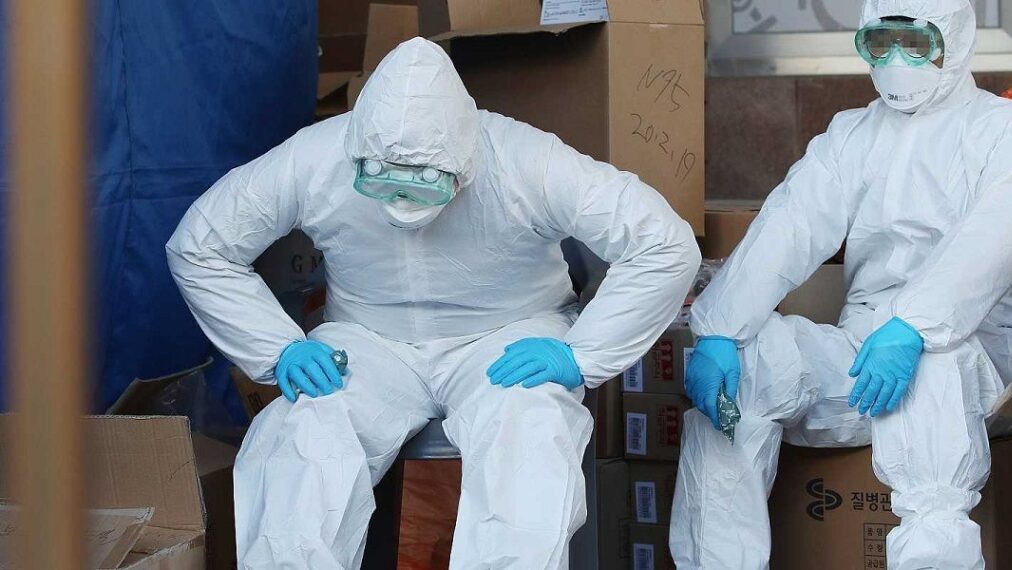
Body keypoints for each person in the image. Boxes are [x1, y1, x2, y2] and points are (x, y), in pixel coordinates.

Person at [167, 37, 699, 570]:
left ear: (464, 158)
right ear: (358, 152)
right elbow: (201, 245)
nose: (402, 199)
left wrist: (581, 353)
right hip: (367, 341)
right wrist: (277, 347)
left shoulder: (525, 159)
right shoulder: (316, 156)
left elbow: (663, 244)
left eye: (423, 182)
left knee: (528, 435)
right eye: (384, 180)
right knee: (304, 437)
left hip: (508, 336)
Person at [669, 0, 1012, 568]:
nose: (897, 60)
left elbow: (995, 239)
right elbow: (791, 224)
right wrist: (720, 328)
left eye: (917, 43)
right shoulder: (853, 134)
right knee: (746, 371)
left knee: (934, 367)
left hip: (978, 357)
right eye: (880, 43)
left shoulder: (1009, 130)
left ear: (954, 40)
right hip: (865, 355)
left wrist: (914, 326)